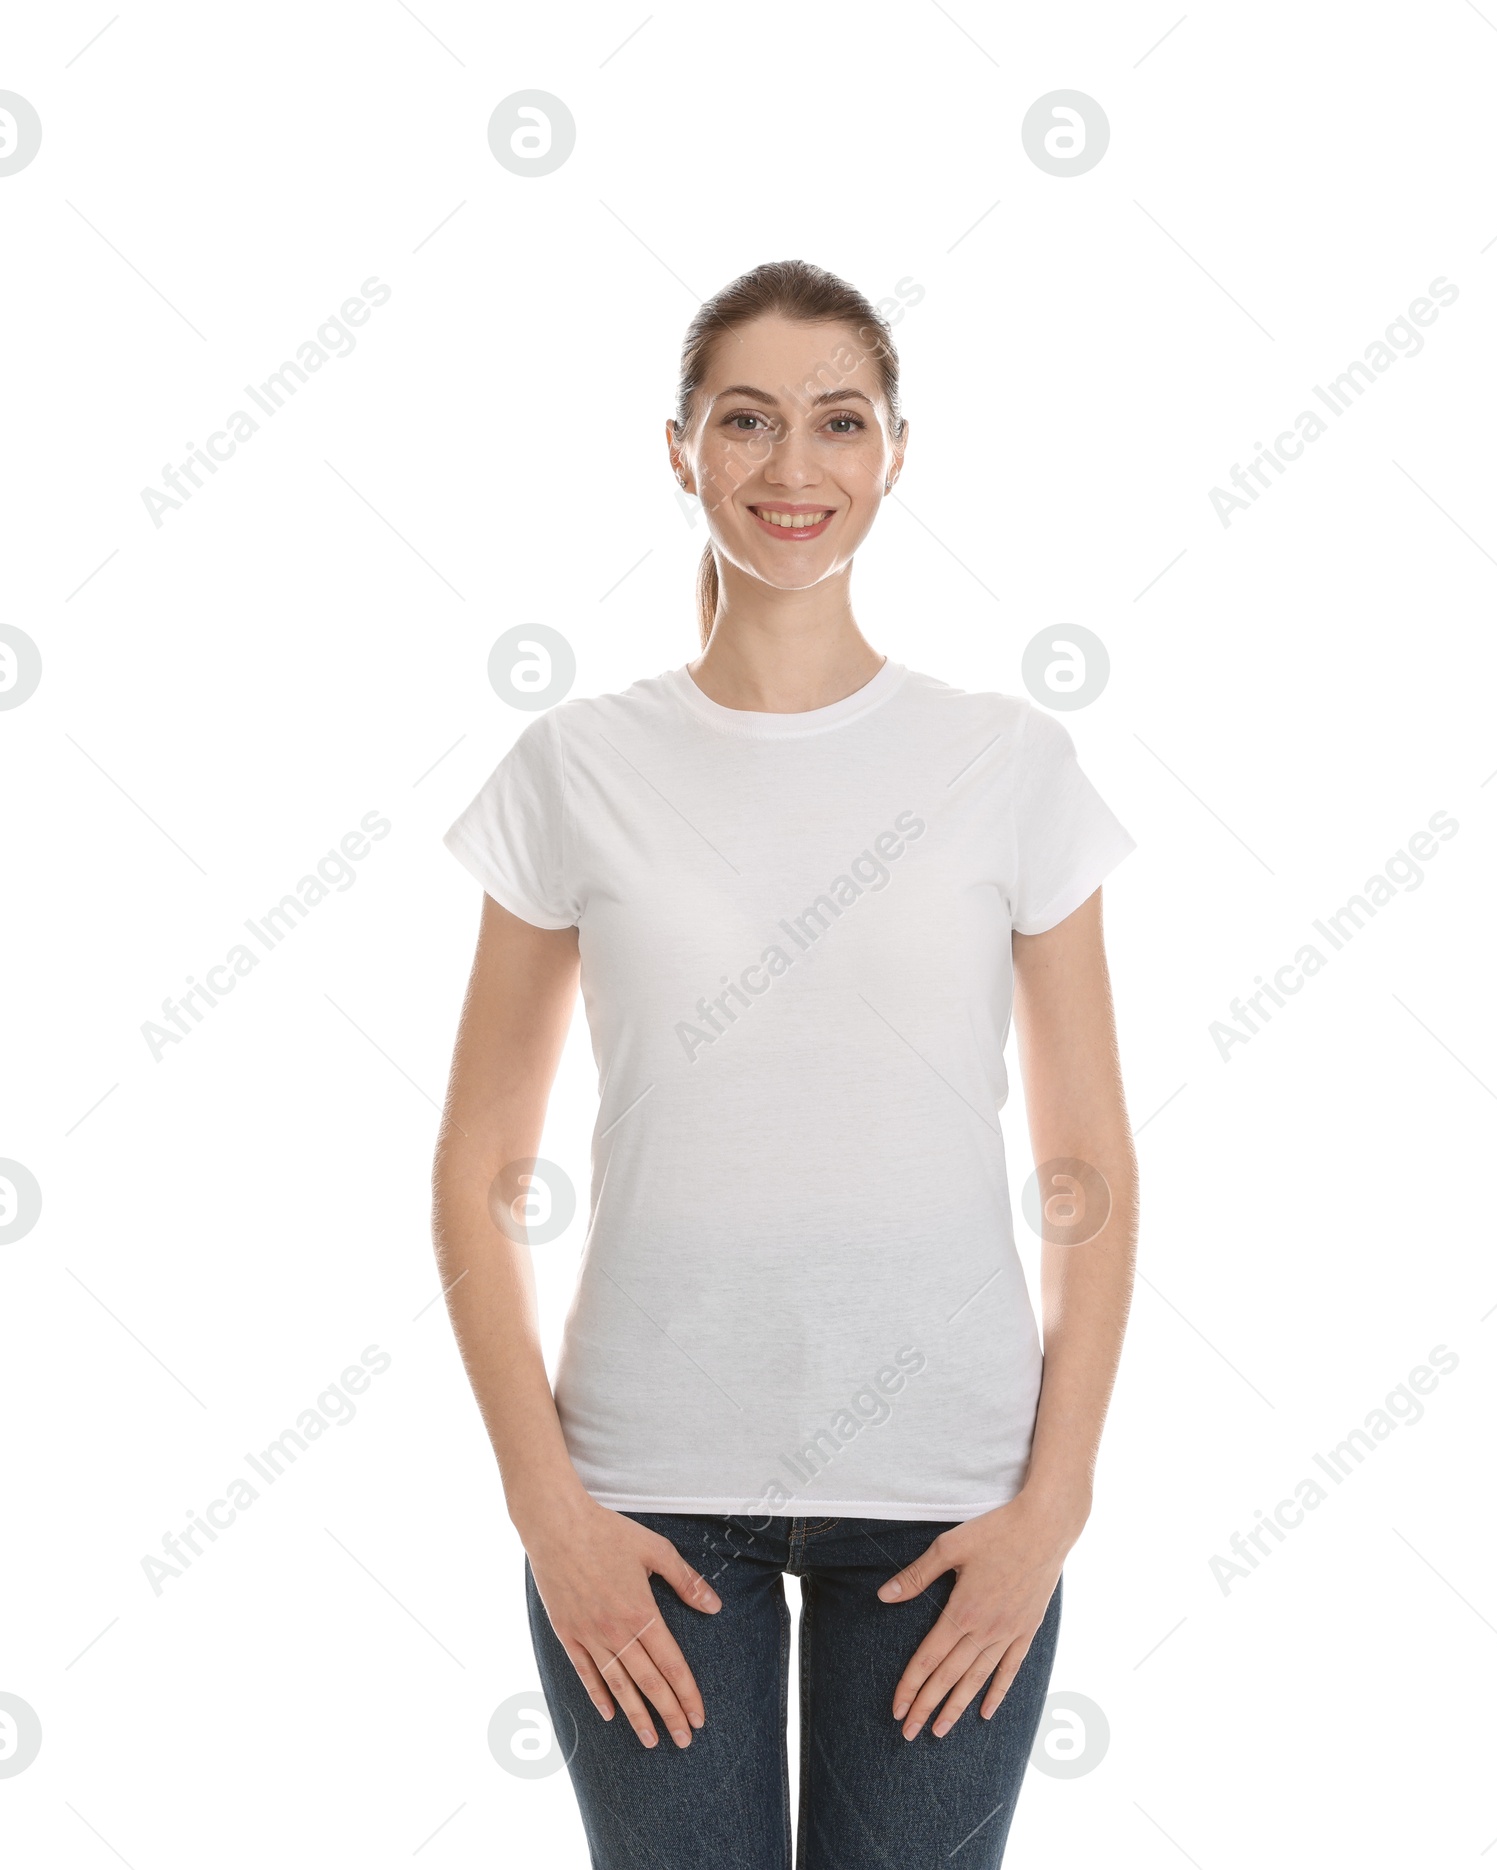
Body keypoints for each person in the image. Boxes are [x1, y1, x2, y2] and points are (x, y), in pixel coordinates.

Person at [433, 258, 1139, 1868]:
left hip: (952, 1501)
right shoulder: (577, 766)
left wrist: (1055, 1508)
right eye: (746, 420)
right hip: (646, 1506)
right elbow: (481, 1173)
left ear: (897, 452)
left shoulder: (1006, 764)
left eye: (838, 422)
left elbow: (1087, 1173)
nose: (792, 466)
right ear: (679, 449)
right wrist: (550, 1509)